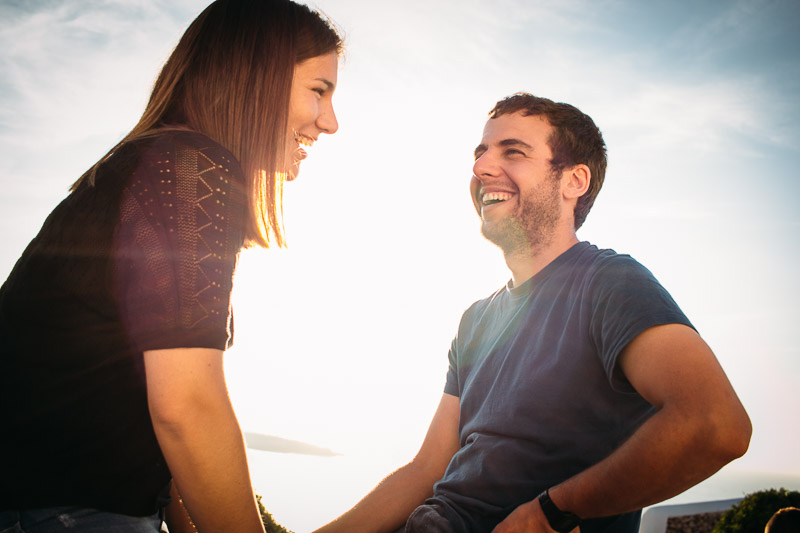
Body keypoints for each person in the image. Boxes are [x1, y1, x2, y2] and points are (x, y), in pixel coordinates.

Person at [314, 93, 752, 533]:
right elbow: (427, 469)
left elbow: (716, 425)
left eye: (513, 152)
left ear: (573, 181)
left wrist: (551, 512)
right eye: (481, 152)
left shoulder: (609, 282)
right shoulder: (475, 320)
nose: (482, 167)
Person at [0, 1, 341, 532]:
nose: (331, 122)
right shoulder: (192, 167)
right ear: (255, 77)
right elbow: (186, 409)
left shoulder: (155, 166)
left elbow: (154, 417)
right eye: (319, 91)